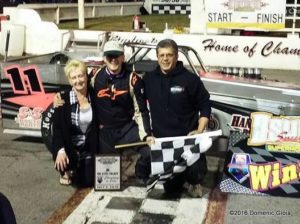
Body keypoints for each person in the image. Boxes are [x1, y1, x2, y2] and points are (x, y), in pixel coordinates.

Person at [143, 39, 212, 197]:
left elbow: (205, 105)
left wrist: (199, 130)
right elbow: (137, 104)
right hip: (162, 143)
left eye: (169, 55)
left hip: (187, 141)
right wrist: (147, 133)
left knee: (196, 172)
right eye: (162, 55)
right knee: (171, 189)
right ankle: (176, 178)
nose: (165, 59)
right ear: (157, 56)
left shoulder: (191, 79)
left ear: (176, 56)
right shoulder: (148, 79)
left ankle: (194, 182)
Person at [92, 40, 152, 183]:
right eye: (109, 56)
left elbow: (141, 111)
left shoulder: (133, 79)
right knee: (107, 183)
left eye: (117, 55)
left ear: (123, 57)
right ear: (104, 58)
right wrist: (60, 97)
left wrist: (146, 136)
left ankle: (139, 171)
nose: (113, 59)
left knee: (150, 152)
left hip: (126, 128)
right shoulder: (95, 76)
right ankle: (123, 165)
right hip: (104, 131)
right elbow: (79, 92)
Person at [52, 59, 98, 187]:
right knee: (63, 158)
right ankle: (65, 169)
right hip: (70, 147)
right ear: (69, 80)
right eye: (74, 77)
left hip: (88, 147)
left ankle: (81, 168)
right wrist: (60, 151)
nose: (78, 80)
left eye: (80, 75)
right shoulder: (62, 99)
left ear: (86, 76)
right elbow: (57, 130)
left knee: (88, 182)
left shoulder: (94, 95)